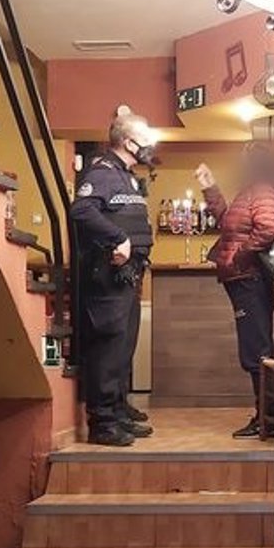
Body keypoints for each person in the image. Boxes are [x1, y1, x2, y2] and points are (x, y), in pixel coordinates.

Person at [70, 105, 158, 447]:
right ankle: (103, 423)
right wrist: (118, 238)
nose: (150, 144)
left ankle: (118, 412)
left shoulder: (126, 176)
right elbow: (81, 210)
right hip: (108, 275)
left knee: (123, 347)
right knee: (108, 347)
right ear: (128, 142)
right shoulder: (103, 172)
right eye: (145, 138)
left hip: (128, 275)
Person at [196, 144, 274, 439]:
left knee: (256, 350)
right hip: (245, 278)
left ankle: (270, 418)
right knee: (256, 348)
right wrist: (210, 189)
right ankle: (270, 415)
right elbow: (229, 224)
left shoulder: (263, 190)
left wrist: (239, 257)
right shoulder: (252, 190)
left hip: (250, 278)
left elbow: (268, 229)